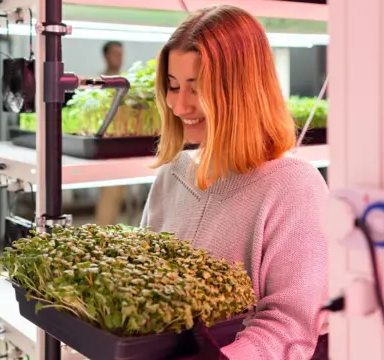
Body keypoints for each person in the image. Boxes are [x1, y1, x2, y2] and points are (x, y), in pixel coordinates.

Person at [140, 5, 329, 360]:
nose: (180, 106)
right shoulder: (173, 174)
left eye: (196, 89)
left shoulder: (293, 186)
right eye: (172, 86)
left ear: (240, 90)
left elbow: (290, 327)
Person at [95, 40, 127, 225]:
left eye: (121, 54)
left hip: (123, 144)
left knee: (120, 194)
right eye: (116, 54)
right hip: (107, 146)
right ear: (106, 55)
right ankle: (102, 232)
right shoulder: (99, 82)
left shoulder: (126, 82)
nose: (119, 58)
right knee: (109, 194)